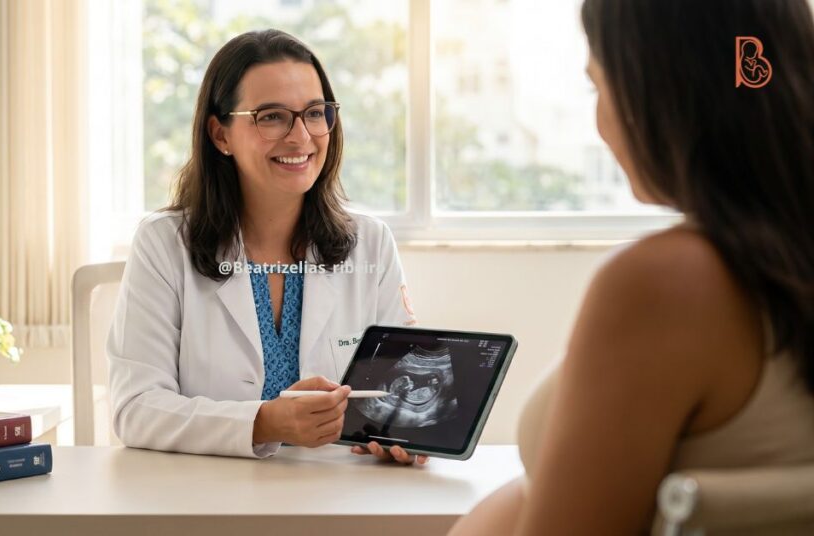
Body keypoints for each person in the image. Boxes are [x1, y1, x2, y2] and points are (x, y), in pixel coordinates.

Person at [451, 0, 814, 533]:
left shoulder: (667, 284)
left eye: (598, 87)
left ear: (658, 91)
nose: (600, 121)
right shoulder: (778, 256)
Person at [107, 29, 425, 463]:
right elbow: (136, 408)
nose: (300, 137)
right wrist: (263, 423)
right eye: (272, 116)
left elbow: (398, 393)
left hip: (336, 489)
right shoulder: (163, 244)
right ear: (220, 135)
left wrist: (404, 432)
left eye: (314, 113)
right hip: (204, 492)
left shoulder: (370, 243)